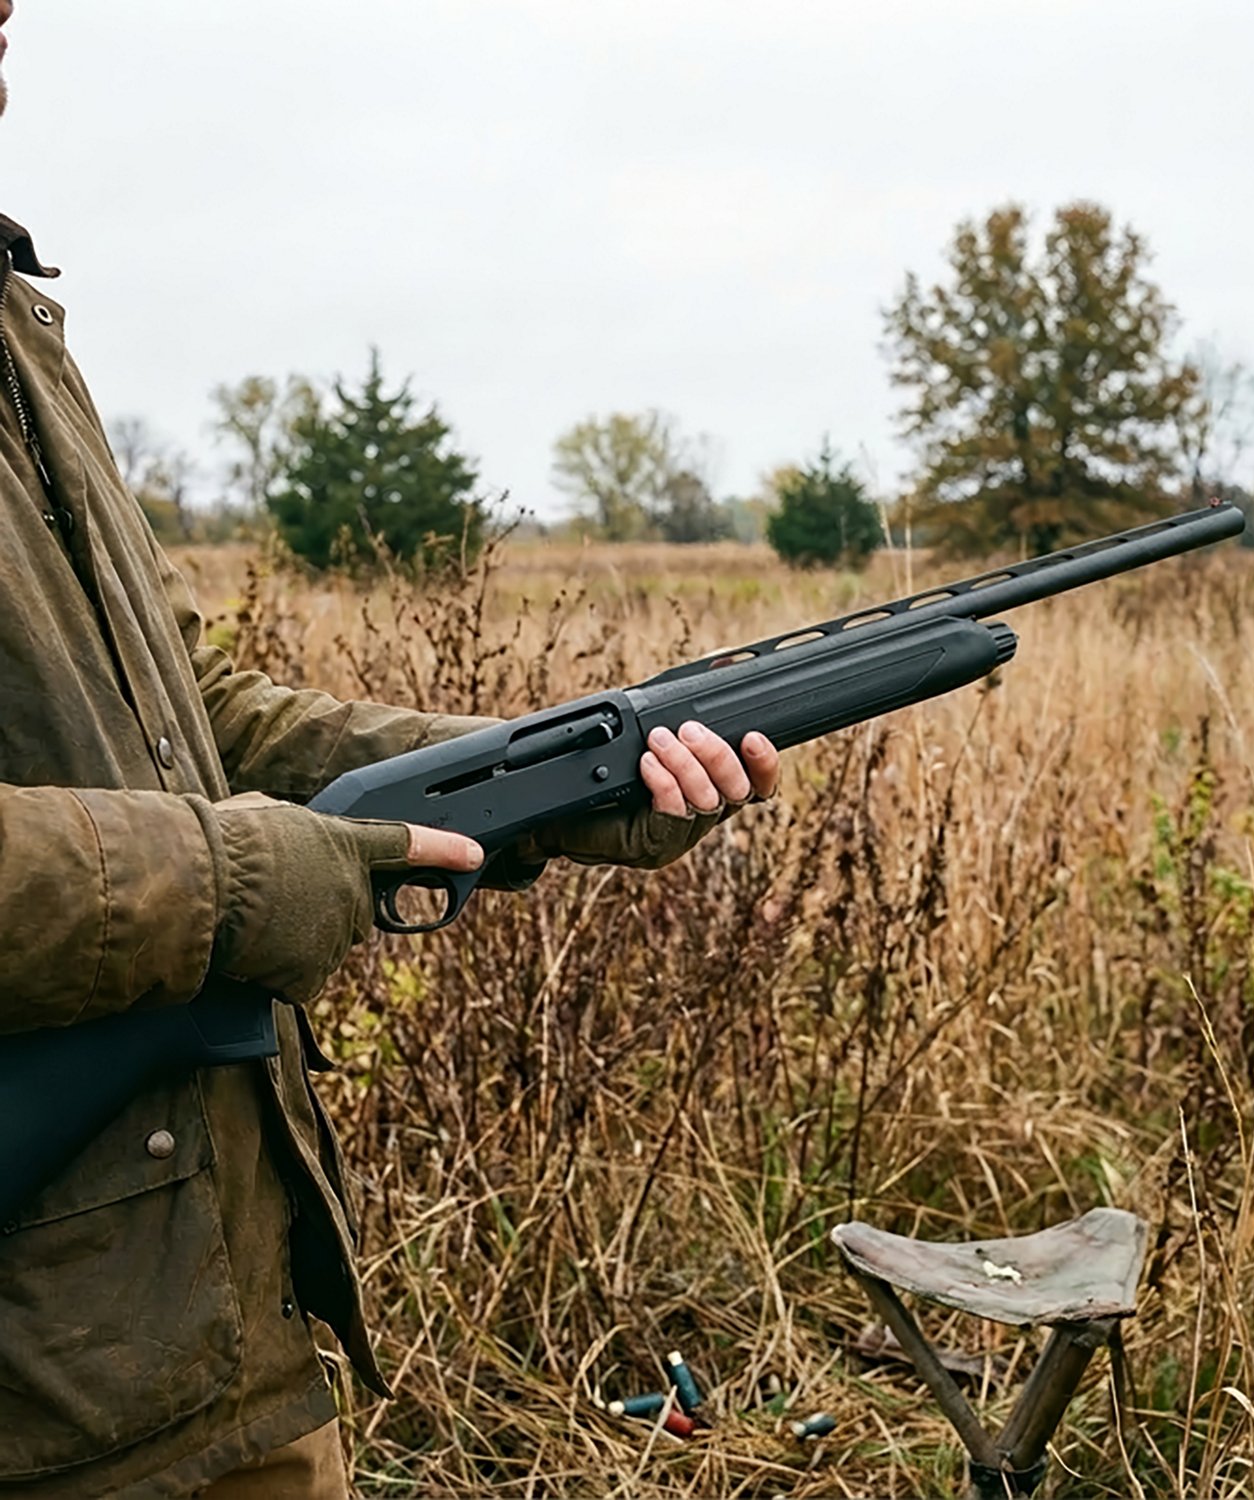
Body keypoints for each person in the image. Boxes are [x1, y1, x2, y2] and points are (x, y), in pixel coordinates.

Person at [0, 5, 779, 1496]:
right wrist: (234, 890)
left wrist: (565, 777)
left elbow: (193, 719)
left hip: (213, 1325)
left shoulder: (20, 322)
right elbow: (217, 834)